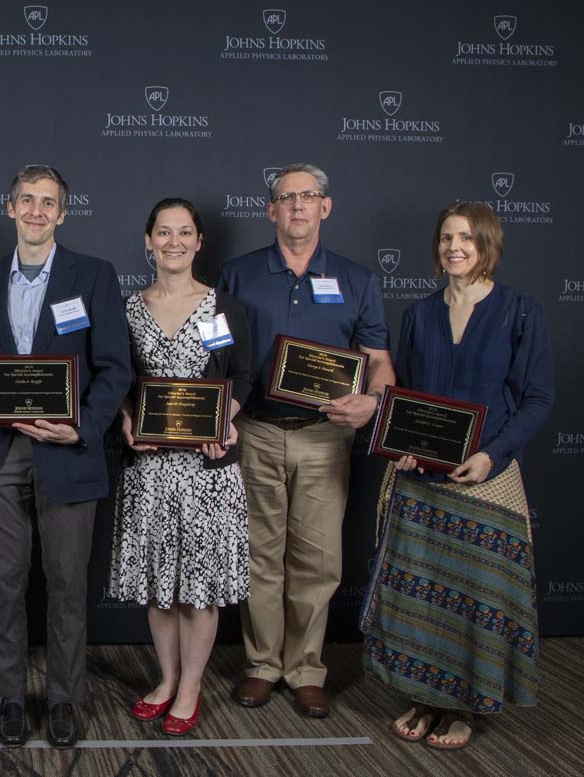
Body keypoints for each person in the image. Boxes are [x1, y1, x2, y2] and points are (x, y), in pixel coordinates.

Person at [361, 201, 552, 751]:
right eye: (446, 237)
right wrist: (399, 446)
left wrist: (493, 454)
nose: (454, 247)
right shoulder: (419, 313)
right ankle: (422, 698)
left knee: (477, 596)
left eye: (466, 237)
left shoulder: (519, 309)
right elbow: (408, 397)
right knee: (423, 594)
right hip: (423, 476)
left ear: (487, 243)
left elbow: (538, 399)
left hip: (488, 476)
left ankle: (463, 708)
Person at [216, 162, 394, 718]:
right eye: (286, 197)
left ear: (325, 207)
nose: (297, 206)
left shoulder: (358, 279)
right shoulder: (237, 274)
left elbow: (379, 361)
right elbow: (213, 352)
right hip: (257, 432)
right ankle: (263, 665)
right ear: (271, 210)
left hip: (324, 437)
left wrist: (373, 401)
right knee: (260, 555)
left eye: (308, 196)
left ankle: (306, 669)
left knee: (318, 561)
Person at [0, 164, 132, 748]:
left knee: (66, 587)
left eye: (48, 203)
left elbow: (115, 368)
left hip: (68, 452)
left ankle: (64, 697)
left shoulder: (94, 275)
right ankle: (10, 697)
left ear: (63, 213)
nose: (36, 211)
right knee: (4, 585)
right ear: (9, 208)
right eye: (26, 200)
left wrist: (81, 428)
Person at [111, 198, 252, 736]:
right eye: (163, 232)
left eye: (185, 232)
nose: (174, 242)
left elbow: (244, 374)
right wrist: (126, 418)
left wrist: (226, 420)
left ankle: (191, 688)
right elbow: (118, 380)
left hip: (206, 470)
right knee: (159, 587)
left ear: (199, 243)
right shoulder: (125, 309)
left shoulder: (223, 306)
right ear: (148, 241)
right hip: (149, 470)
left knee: (200, 587)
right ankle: (167, 679)